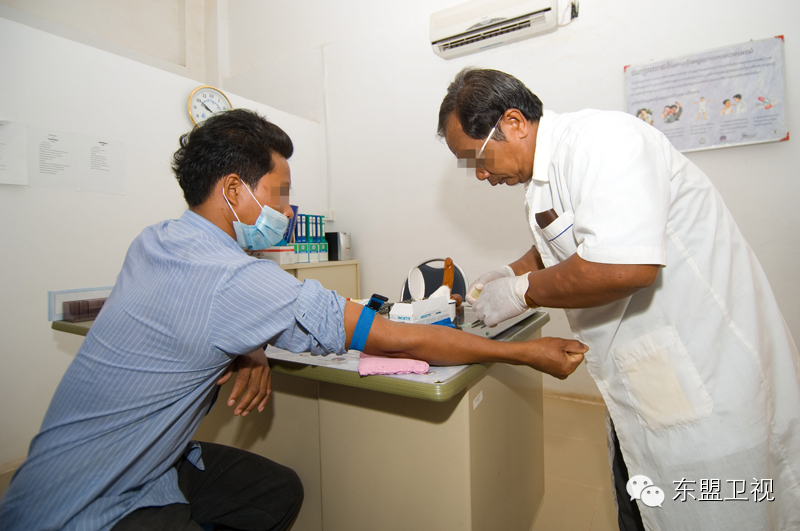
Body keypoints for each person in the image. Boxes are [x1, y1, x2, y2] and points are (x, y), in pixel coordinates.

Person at [0, 109, 587, 531]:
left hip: (90, 472)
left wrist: (249, 347)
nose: (287, 211)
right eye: (280, 195)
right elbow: (390, 336)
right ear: (233, 189)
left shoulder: (158, 240)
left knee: (276, 491)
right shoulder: (236, 281)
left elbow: (194, 315)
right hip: (87, 509)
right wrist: (521, 352)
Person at [437, 68, 800, 530]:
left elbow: (625, 266)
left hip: (706, 368)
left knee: (721, 511)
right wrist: (511, 271)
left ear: (513, 122)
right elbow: (564, 240)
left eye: (477, 158)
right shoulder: (545, 174)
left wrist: (521, 292)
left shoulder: (604, 142)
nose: (481, 174)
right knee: (645, 502)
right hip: (645, 376)